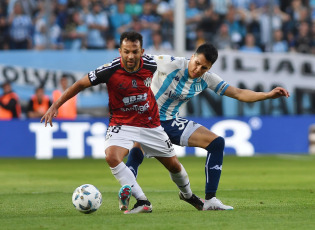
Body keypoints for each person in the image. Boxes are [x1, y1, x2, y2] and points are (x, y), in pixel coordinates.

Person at [40, 31, 203, 214]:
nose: (130, 56)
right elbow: (79, 84)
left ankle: (188, 195)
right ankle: (142, 201)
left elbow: (180, 64)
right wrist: (55, 105)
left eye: (134, 51)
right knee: (112, 156)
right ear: (120, 51)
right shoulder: (109, 70)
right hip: (121, 123)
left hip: (150, 123)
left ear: (142, 51)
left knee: (173, 165)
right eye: (126, 51)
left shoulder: (151, 64)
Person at [126, 43, 290, 211]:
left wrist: (268, 95)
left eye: (204, 67)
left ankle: (210, 199)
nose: (198, 69)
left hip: (171, 122)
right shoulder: (170, 63)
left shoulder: (206, 79)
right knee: (139, 147)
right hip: (147, 119)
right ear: (192, 56)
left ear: (209, 67)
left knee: (216, 143)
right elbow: (135, 61)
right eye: (196, 63)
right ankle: (131, 193)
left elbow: (238, 93)